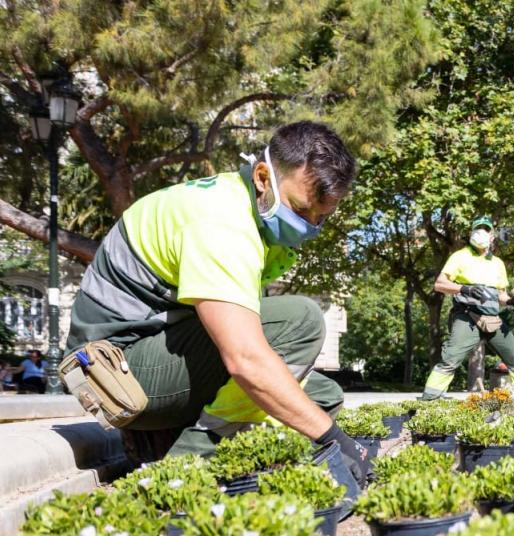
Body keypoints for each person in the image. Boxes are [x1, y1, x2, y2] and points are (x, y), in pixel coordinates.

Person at [65, 121, 368, 491]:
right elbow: (245, 358)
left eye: (322, 218)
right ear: (262, 177)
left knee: (319, 395)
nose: (311, 227)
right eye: (302, 211)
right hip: (111, 371)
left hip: (152, 354)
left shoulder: (249, 215)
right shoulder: (222, 221)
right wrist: (333, 437)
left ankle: (167, 442)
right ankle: (182, 469)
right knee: (301, 322)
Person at [421, 216, 514, 399]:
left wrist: (512, 301)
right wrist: (465, 288)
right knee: (450, 359)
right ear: (471, 233)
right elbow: (439, 284)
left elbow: (501, 295)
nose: (481, 232)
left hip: (492, 319)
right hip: (467, 317)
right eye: (477, 228)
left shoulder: (498, 263)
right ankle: (430, 399)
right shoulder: (460, 256)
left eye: (486, 229)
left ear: (492, 237)